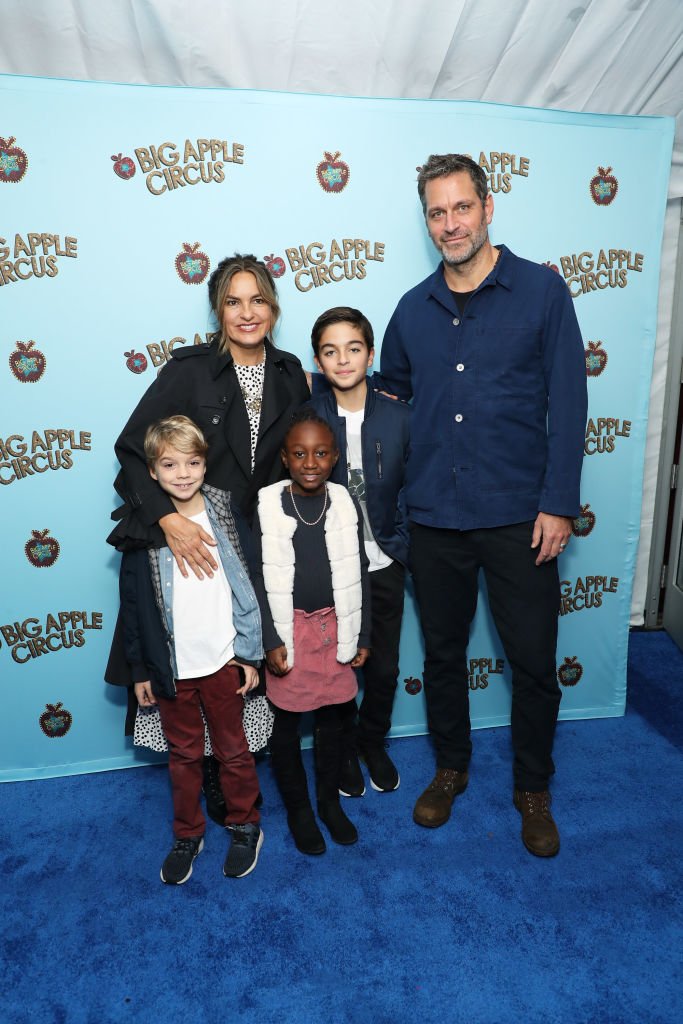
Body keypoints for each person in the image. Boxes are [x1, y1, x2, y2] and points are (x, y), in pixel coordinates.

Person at [377, 154, 587, 857]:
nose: (449, 223)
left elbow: (568, 402)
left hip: (520, 517)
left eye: (459, 207)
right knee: (441, 655)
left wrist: (558, 503)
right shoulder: (410, 309)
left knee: (531, 660)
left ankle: (532, 786)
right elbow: (393, 411)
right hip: (434, 517)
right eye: (435, 212)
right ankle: (449, 768)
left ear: (487, 207)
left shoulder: (542, 292)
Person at [109, 253, 310, 823]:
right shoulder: (188, 370)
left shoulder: (291, 372)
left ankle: (235, 768)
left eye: (258, 300)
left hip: (253, 546)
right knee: (192, 654)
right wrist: (165, 520)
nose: (247, 313)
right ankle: (210, 783)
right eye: (232, 301)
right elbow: (131, 449)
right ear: (217, 310)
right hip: (190, 539)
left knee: (239, 663)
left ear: (274, 306)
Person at [118, 415, 263, 884]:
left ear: (206, 463)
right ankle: (187, 834)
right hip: (172, 669)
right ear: (153, 473)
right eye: (169, 464)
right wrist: (140, 667)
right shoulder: (144, 524)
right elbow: (134, 603)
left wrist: (249, 653)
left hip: (223, 661)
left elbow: (247, 582)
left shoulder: (223, 507)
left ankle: (245, 825)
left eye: (193, 462)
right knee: (183, 758)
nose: (182, 473)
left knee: (233, 752)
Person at [251, 408, 371, 855]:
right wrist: (270, 640)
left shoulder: (343, 501)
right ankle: (300, 810)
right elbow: (257, 581)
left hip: (337, 627)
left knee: (335, 721)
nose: (310, 462)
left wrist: (363, 634)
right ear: (284, 458)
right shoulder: (267, 504)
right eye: (299, 453)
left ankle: (327, 804)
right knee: (285, 726)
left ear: (335, 456)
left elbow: (360, 571)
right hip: (290, 634)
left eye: (320, 453)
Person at [309, 306, 410, 796]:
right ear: (318, 360)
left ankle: (373, 741)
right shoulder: (308, 417)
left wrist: (403, 546)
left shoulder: (399, 415)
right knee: (337, 663)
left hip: (385, 561)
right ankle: (343, 746)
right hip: (332, 569)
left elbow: (415, 487)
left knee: (384, 666)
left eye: (353, 349)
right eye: (331, 351)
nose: (343, 359)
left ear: (371, 355)